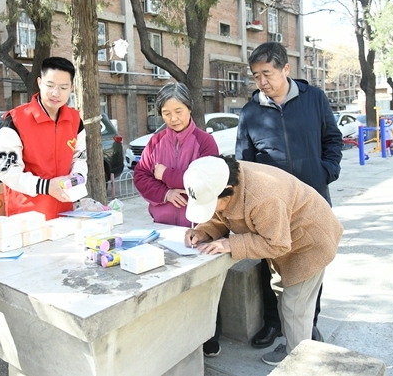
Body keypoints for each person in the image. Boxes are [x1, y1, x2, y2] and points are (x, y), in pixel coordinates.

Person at [183, 156, 343, 366]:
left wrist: (232, 244)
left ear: (228, 189)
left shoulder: (263, 196)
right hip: (286, 238)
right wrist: (203, 231)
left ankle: (299, 363)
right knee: (284, 295)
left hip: (309, 243)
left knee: (295, 307)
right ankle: (301, 343)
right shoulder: (219, 177)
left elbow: (277, 244)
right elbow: (221, 214)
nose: (212, 209)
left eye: (211, 204)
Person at [235, 42, 343, 350]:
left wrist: (325, 172)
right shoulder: (251, 112)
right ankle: (274, 323)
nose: (261, 81)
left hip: (312, 202)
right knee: (271, 266)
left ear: (285, 69)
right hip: (272, 209)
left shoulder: (314, 99)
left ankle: (310, 324)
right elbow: (244, 161)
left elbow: (333, 140)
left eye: (266, 73)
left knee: (311, 262)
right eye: (256, 76)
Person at [133, 82, 221, 356]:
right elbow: (140, 176)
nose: (173, 118)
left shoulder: (205, 142)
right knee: (167, 282)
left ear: (189, 108)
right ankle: (176, 337)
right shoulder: (155, 142)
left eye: (178, 111)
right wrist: (166, 192)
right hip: (163, 226)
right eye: (166, 113)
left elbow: (205, 181)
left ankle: (210, 335)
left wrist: (165, 174)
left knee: (203, 284)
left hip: (198, 227)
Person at [0, 57, 87, 219]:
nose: (56, 93)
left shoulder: (75, 120)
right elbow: (7, 172)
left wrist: (78, 177)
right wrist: (46, 186)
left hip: (65, 212)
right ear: (39, 82)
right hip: (27, 217)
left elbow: (79, 158)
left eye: (63, 87)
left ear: (71, 88)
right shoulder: (15, 120)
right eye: (50, 85)